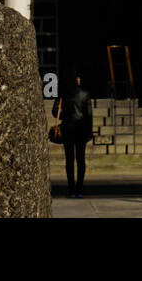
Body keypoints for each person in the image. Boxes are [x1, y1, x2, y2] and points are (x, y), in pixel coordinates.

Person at [53, 70, 94, 198]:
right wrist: (89, 132)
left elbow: (54, 111)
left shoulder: (63, 93)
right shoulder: (85, 94)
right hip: (81, 129)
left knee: (69, 159)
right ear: (78, 80)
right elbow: (89, 115)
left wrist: (65, 115)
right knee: (81, 159)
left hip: (67, 129)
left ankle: (71, 189)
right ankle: (79, 189)